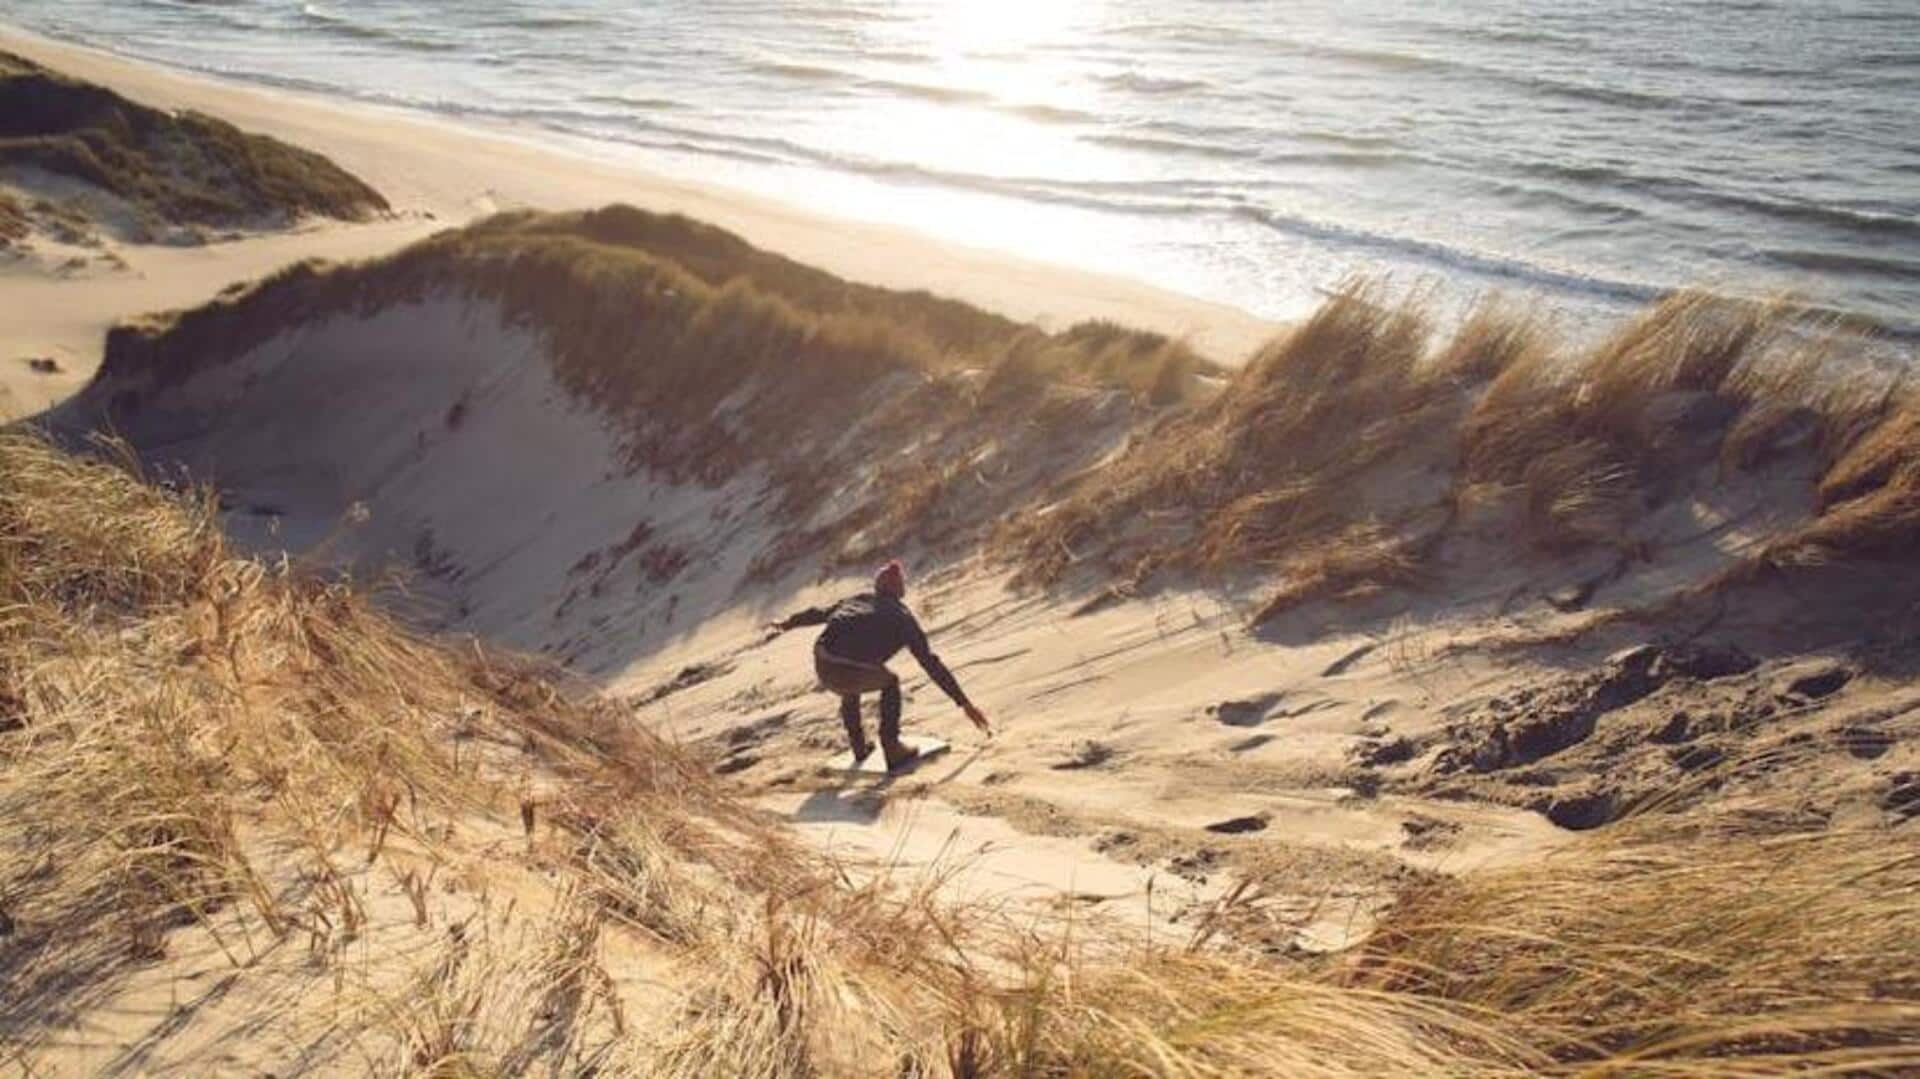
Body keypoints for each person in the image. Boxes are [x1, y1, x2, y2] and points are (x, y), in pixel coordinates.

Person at [769, 560, 990, 772]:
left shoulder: (858, 599)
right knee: (888, 680)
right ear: (899, 589)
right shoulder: (903, 618)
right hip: (846, 669)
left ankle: (859, 748)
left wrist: (788, 622)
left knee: (853, 677)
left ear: (877, 586)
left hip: (823, 663)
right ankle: (892, 747)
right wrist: (964, 703)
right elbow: (930, 663)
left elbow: (818, 613)